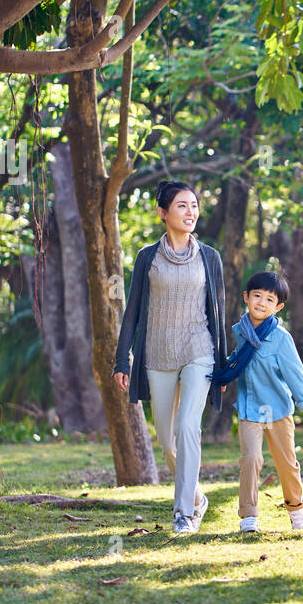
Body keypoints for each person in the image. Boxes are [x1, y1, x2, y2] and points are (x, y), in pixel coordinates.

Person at [113, 180, 227, 535]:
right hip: (157, 354)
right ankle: (195, 497)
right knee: (167, 438)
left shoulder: (210, 257)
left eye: (194, 205)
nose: (190, 212)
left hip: (199, 349)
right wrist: (122, 360)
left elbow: (218, 314)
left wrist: (221, 366)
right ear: (163, 213)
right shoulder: (148, 257)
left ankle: (183, 514)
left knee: (187, 427)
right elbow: (132, 310)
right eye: (181, 205)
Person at [211, 270, 303, 534]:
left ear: (278, 306)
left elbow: (295, 373)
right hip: (249, 410)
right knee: (251, 459)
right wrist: (227, 374)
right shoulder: (239, 332)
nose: (261, 303)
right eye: (257, 296)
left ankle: (296, 509)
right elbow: (238, 357)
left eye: (270, 299)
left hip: (278, 410)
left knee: (286, 463)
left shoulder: (281, 338)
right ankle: (248, 515)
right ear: (247, 297)